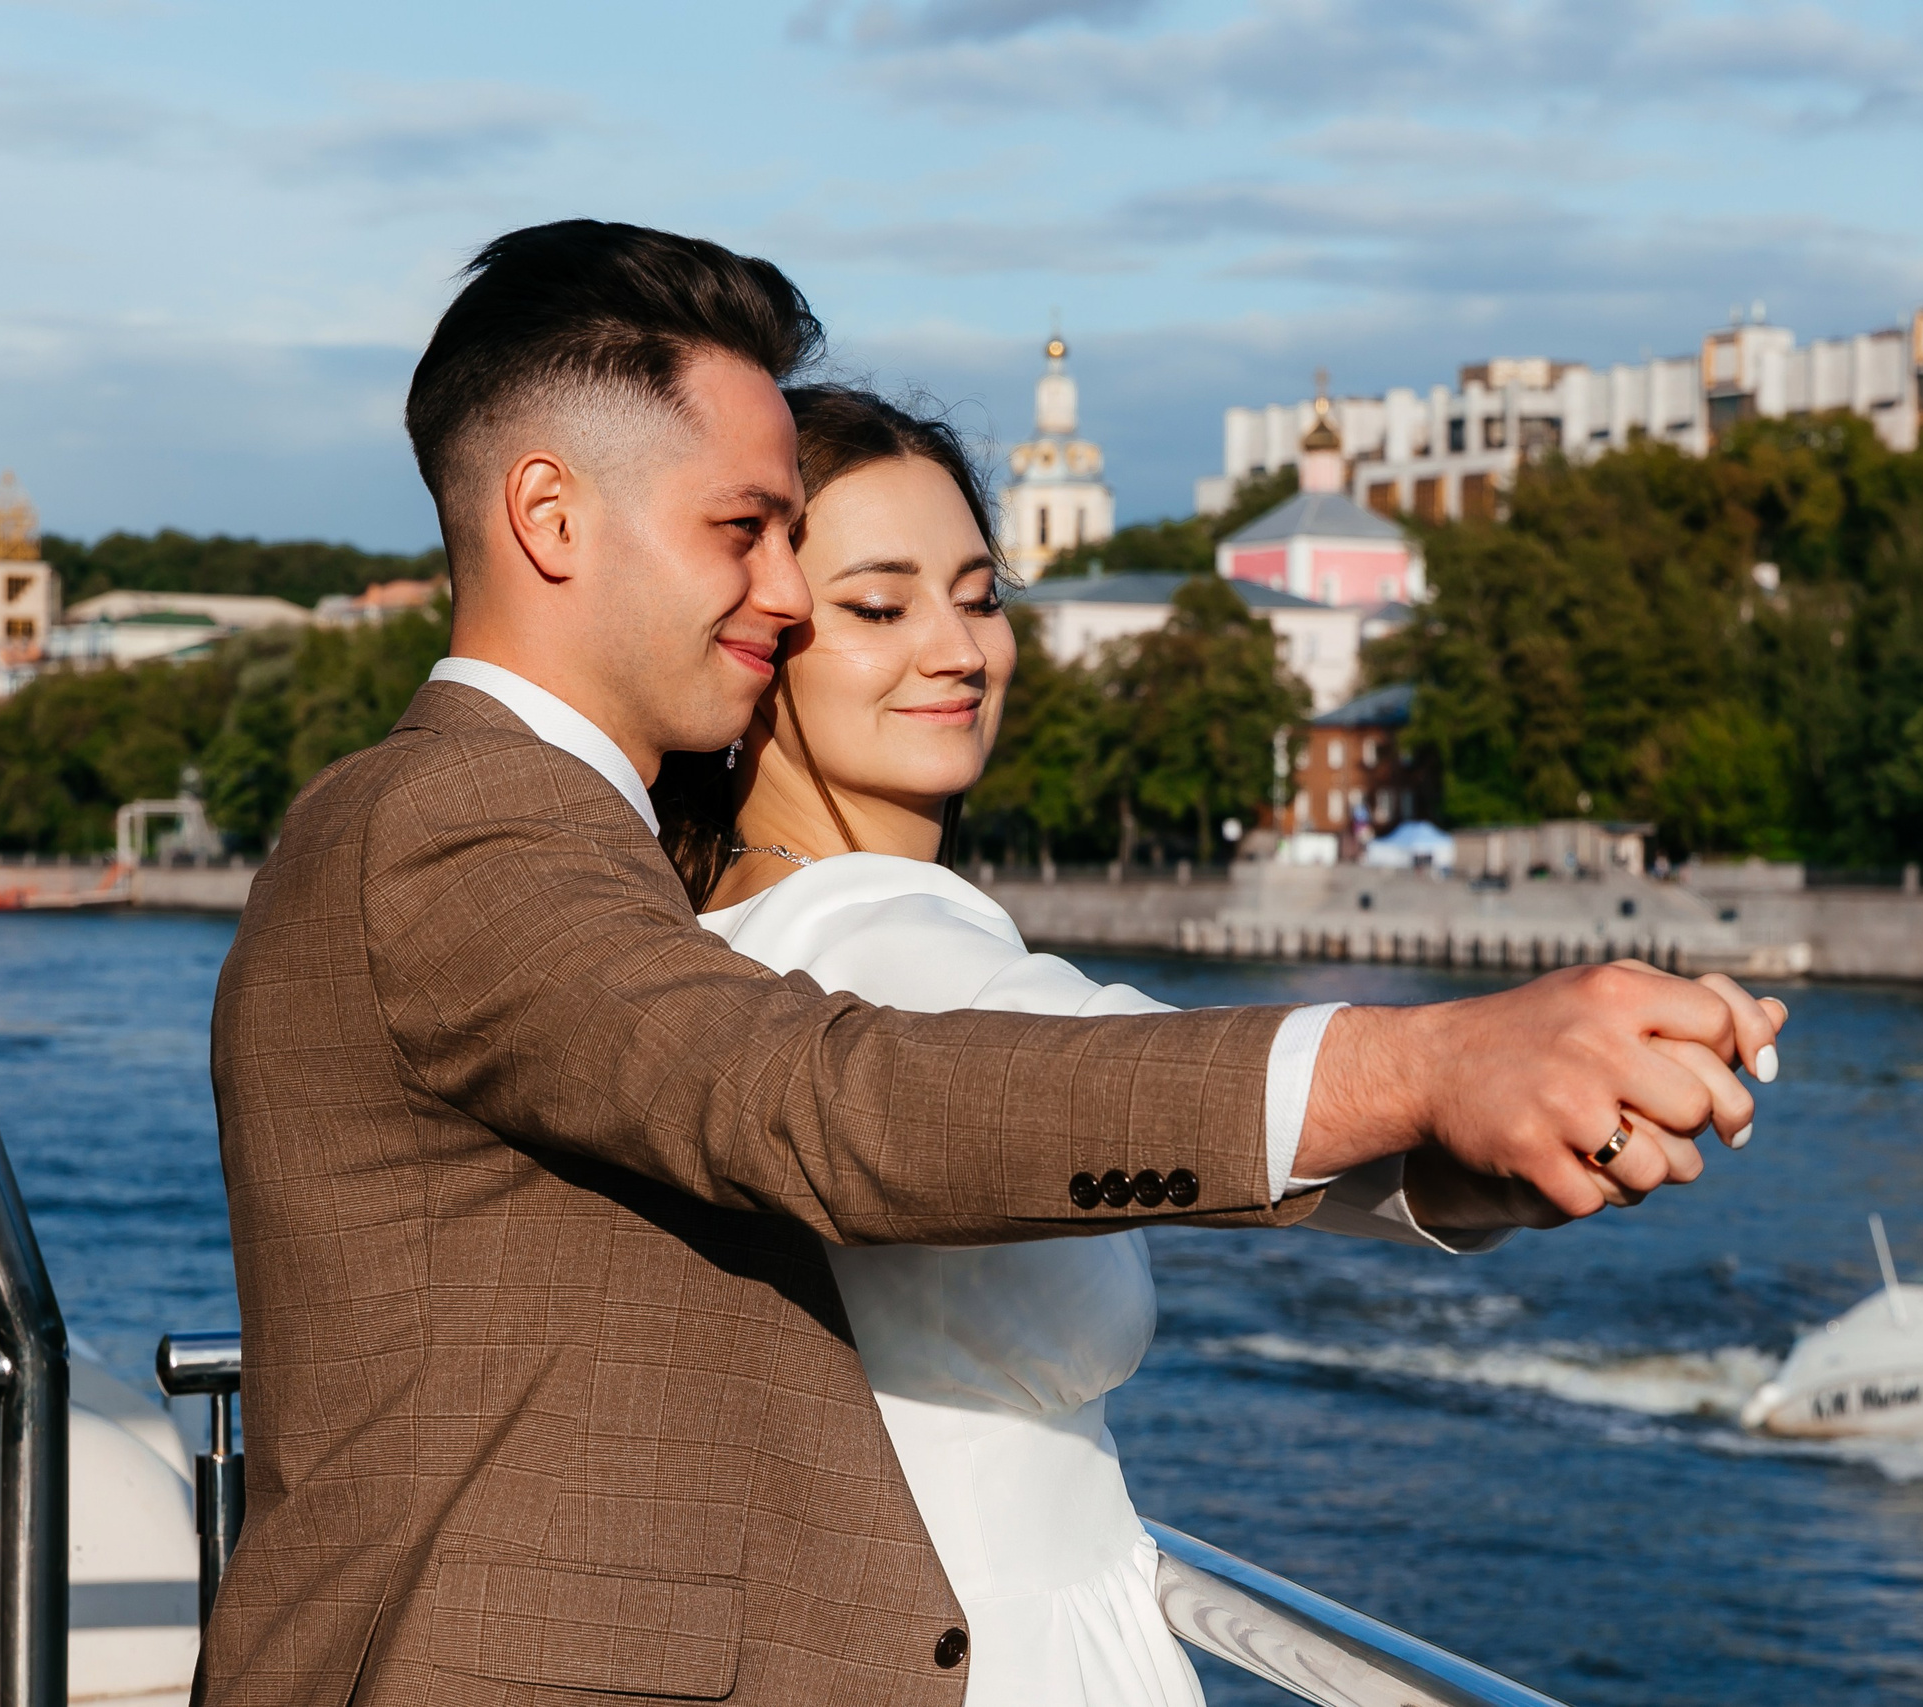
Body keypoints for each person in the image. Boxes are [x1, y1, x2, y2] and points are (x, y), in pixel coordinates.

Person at [207, 219, 1784, 1706]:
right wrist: (1421, 1068)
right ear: (550, 516)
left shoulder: (585, 860)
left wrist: (1447, 1137)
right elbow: (814, 1103)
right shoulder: (455, 820)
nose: (782, 592)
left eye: (968, 597)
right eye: (745, 533)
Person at [650, 385, 1541, 1706]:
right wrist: (1450, 1064)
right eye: (882, 607)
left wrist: (1453, 1173)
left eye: (981, 594)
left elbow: (1081, 1135)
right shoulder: (884, 937)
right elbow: (1103, 1073)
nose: (962, 650)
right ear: (752, 640)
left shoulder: (715, 933)